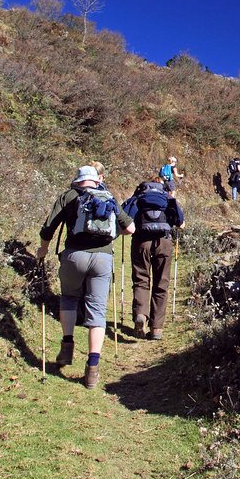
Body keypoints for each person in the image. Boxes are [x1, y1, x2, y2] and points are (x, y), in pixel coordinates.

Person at [37, 165, 135, 389]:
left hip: (73, 257)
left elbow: (49, 227)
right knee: (97, 310)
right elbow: (131, 229)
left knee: (69, 298)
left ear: (78, 180)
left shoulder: (68, 196)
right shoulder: (107, 196)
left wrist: (43, 249)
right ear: (95, 180)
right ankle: (92, 369)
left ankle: (67, 346)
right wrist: (110, 235)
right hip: (102, 258)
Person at [126, 174, 184, 341]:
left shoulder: (139, 197)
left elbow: (126, 220)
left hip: (141, 242)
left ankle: (140, 315)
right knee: (161, 284)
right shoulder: (168, 198)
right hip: (163, 242)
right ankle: (156, 328)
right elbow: (180, 222)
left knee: (141, 280)